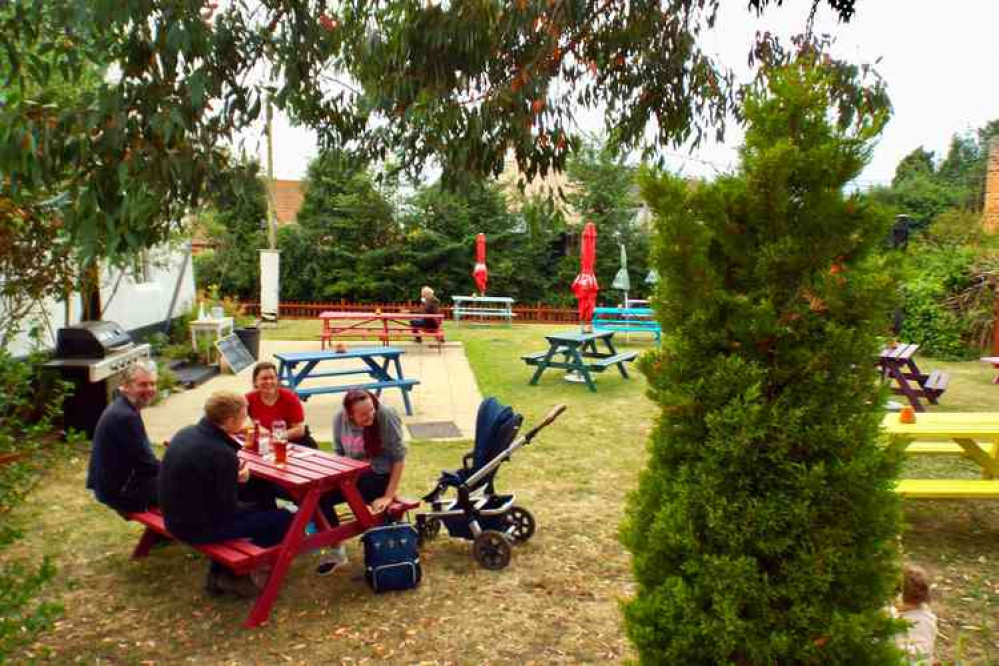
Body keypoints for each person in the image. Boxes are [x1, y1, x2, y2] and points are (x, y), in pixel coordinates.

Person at [159, 391, 294, 597]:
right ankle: (237, 574)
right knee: (286, 518)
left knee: (263, 504)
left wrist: (235, 479)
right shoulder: (221, 453)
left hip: (174, 518)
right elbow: (227, 510)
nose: (247, 420)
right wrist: (242, 487)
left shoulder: (186, 433)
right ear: (230, 421)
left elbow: (207, 484)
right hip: (195, 528)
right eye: (244, 416)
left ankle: (223, 572)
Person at [316, 389, 407, 575]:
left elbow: (399, 458)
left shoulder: (385, 415)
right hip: (351, 476)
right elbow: (339, 454)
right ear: (350, 415)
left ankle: (383, 535)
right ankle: (336, 549)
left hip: (378, 475)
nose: (370, 416)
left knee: (364, 489)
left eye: (372, 410)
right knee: (319, 496)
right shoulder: (339, 419)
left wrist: (389, 496)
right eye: (364, 414)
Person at [86, 361, 161, 514]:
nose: (150, 389)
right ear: (126, 386)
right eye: (143, 384)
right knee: (188, 484)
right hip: (120, 494)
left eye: (153, 384)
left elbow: (142, 458)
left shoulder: (122, 405)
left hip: (109, 485)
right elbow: (147, 464)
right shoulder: (125, 417)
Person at [245, 361, 316, 448]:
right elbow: (240, 422)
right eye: (264, 378)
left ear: (277, 380)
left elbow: (299, 430)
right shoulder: (248, 399)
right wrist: (256, 428)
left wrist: (273, 437)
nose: (269, 381)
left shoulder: (290, 397)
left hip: (293, 443)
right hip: (264, 444)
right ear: (255, 382)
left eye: (272, 378)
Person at [893, 563, 938, 663]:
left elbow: (922, 651)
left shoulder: (922, 621)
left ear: (900, 596)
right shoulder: (906, 612)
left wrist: (895, 646)